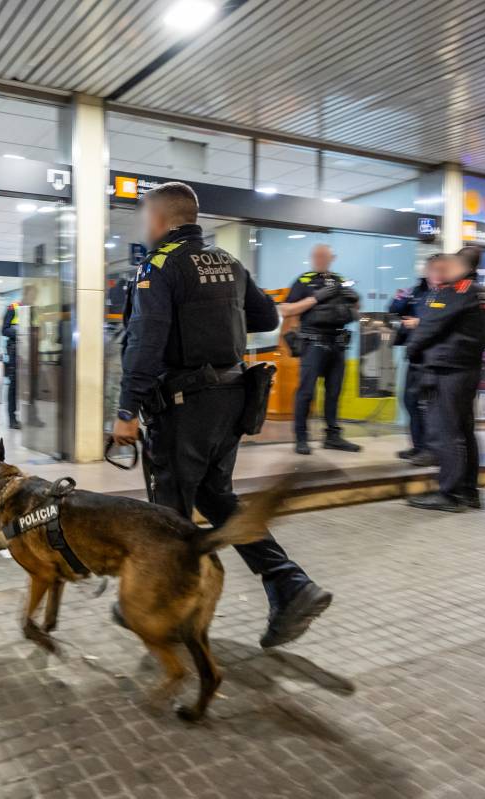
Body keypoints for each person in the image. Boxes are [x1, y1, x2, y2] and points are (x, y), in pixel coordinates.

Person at [112, 181, 333, 649]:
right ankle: (290, 585)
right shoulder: (229, 263)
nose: (143, 226)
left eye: (144, 217)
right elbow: (266, 318)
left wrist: (126, 409)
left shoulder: (159, 266)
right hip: (230, 401)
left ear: (160, 220)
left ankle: (163, 609)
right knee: (217, 498)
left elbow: (147, 343)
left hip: (183, 407)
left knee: (166, 514)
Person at [405, 252, 485, 512]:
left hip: (447, 372)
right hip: (468, 371)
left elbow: (430, 325)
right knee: (465, 432)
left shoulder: (459, 290)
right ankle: (469, 492)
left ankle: (450, 494)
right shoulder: (484, 293)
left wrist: (412, 348)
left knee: (447, 432)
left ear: (460, 266)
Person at [278, 245, 363, 455]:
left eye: (323, 256)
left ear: (332, 258)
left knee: (334, 392)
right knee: (306, 392)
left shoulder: (340, 280)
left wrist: (355, 300)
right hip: (313, 343)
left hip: (338, 343)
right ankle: (301, 437)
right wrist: (314, 298)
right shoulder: (304, 281)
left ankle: (332, 437)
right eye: (316, 256)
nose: (319, 259)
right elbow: (285, 309)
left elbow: (356, 309)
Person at [390, 257, 437, 466]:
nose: (431, 273)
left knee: (426, 405)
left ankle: (430, 450)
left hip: (433, 358)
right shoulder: (416, 291)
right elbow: (394, 308)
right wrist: (401, 296)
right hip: (415, 354)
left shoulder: (445, 293)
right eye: (429, 269)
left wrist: (419, 322)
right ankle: (418, 446)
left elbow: (443, 320)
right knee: (409, 401)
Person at [1, 285, 35, 430]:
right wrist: (20, 333)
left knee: (32, 384)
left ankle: (33, 416)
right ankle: (12, 418)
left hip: (30, 350)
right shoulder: (13, 308)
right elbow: (4, 329)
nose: (33, 298)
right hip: (16, 350)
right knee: (14, 385)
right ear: (26, 294)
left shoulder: (33, 310)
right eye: (32, 295)